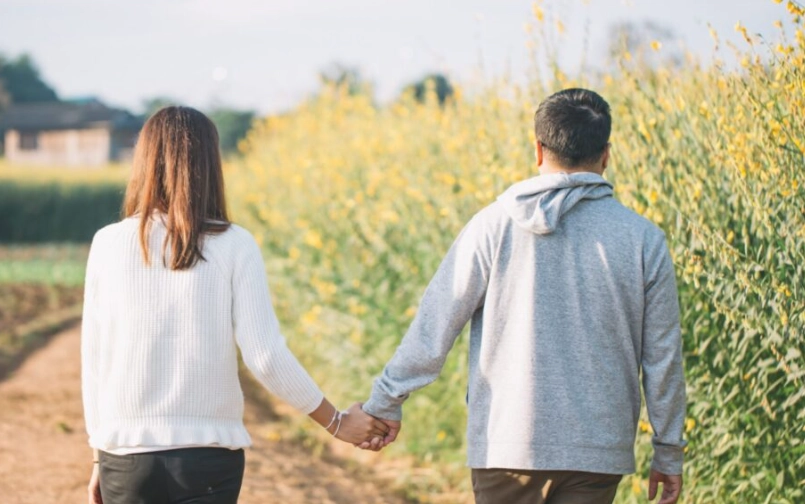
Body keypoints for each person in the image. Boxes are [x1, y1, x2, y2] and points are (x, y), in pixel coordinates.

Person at [362, 88, 687, 504]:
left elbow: (435, 325)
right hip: (598, 453)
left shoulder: (492, 226)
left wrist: (384, 402)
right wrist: (668, 450)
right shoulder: (643, 239)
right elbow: (663, 357)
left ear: (538, 149)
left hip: (508, 447)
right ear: (606, 154)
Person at [81, 106, 389, 504]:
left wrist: (98, 455)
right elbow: (265, 356)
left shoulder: (107, 243)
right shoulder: (235, 245)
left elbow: (95, 361)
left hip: (125, 459)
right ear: (210, 165)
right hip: (208, 461)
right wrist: (336, 422)